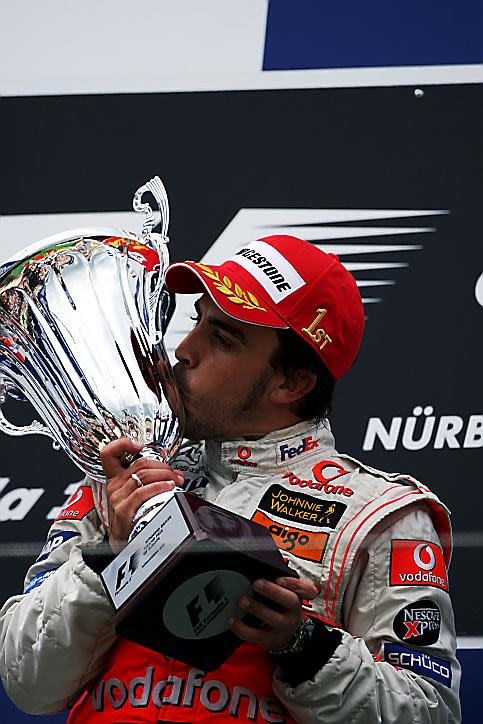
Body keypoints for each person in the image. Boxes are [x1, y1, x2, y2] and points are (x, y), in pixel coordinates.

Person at [0, 234, 460, 722]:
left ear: (291, 383)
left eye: (221, 338)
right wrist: (109, 562)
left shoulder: (377, 517)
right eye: (197, 320)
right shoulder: (121, 484)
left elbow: (430, 712)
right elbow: (28, 683)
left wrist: (302, 645)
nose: (184, 349)